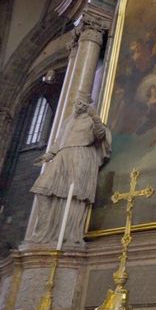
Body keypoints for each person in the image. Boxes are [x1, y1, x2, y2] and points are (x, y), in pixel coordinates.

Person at [26, 97, 111, 247]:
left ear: (87, 106)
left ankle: (68, 234)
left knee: (74, 195)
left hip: (80, 156)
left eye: (81, 104)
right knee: (42, 189)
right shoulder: (68, 120)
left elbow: (100, 135)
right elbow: (60, 140)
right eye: (76, 103)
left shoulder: (91, 120)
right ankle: (44, 233)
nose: (77, 106)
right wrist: (49, 155)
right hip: (62, 156)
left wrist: (95, 117)